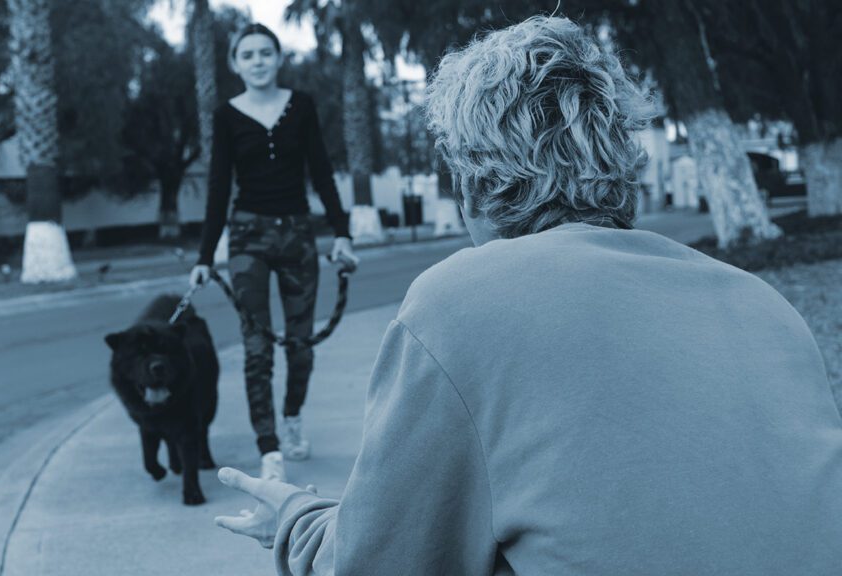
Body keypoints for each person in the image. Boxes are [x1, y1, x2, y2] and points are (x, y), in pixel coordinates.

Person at [214, 15, 842, 576]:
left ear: (471, 179)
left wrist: (297, 520)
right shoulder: (766, 307)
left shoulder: (457, 306)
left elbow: (381, 562)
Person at [190, 23, 358, 482]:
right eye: (248, 55)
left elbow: (322, 172)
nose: (258, 61)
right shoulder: (225, 116)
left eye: (266, 52)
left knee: (300, 348)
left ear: (278, 58)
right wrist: (205, 257)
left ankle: (292, 416)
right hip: (247, 239)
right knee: (257, 349)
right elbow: (219, 188)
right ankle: (269, 447)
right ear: (235, 64)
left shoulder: (301, 107)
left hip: (298, 236)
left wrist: (342, 234)